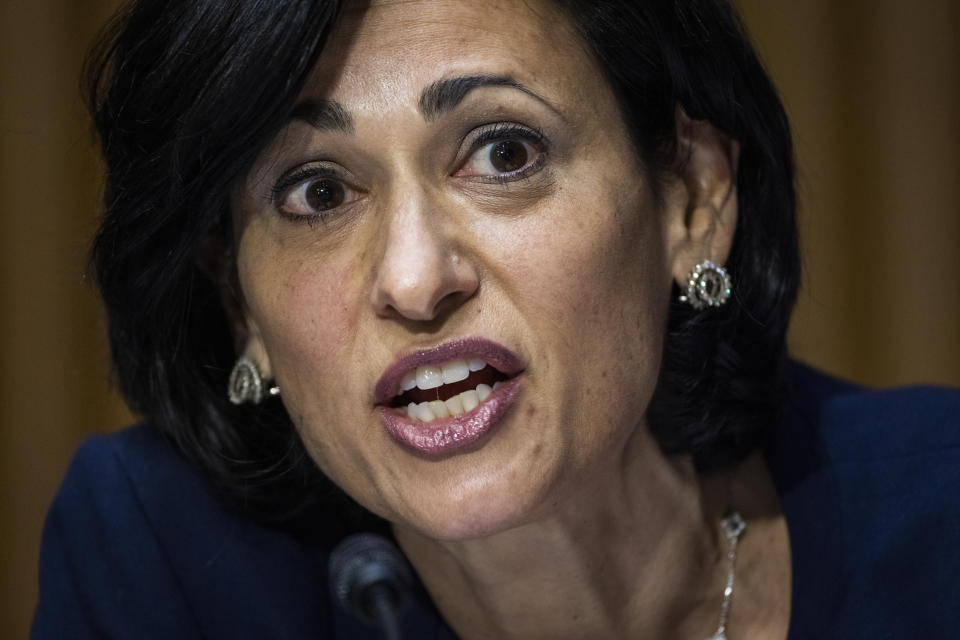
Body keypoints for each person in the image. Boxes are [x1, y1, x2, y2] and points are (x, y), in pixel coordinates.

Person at [33, 0, 960, 638]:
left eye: (503, 152)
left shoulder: (939, 524)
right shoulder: (165, 557)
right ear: (240, 304)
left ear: (691, 200)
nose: (413, 277)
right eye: (318, 192)